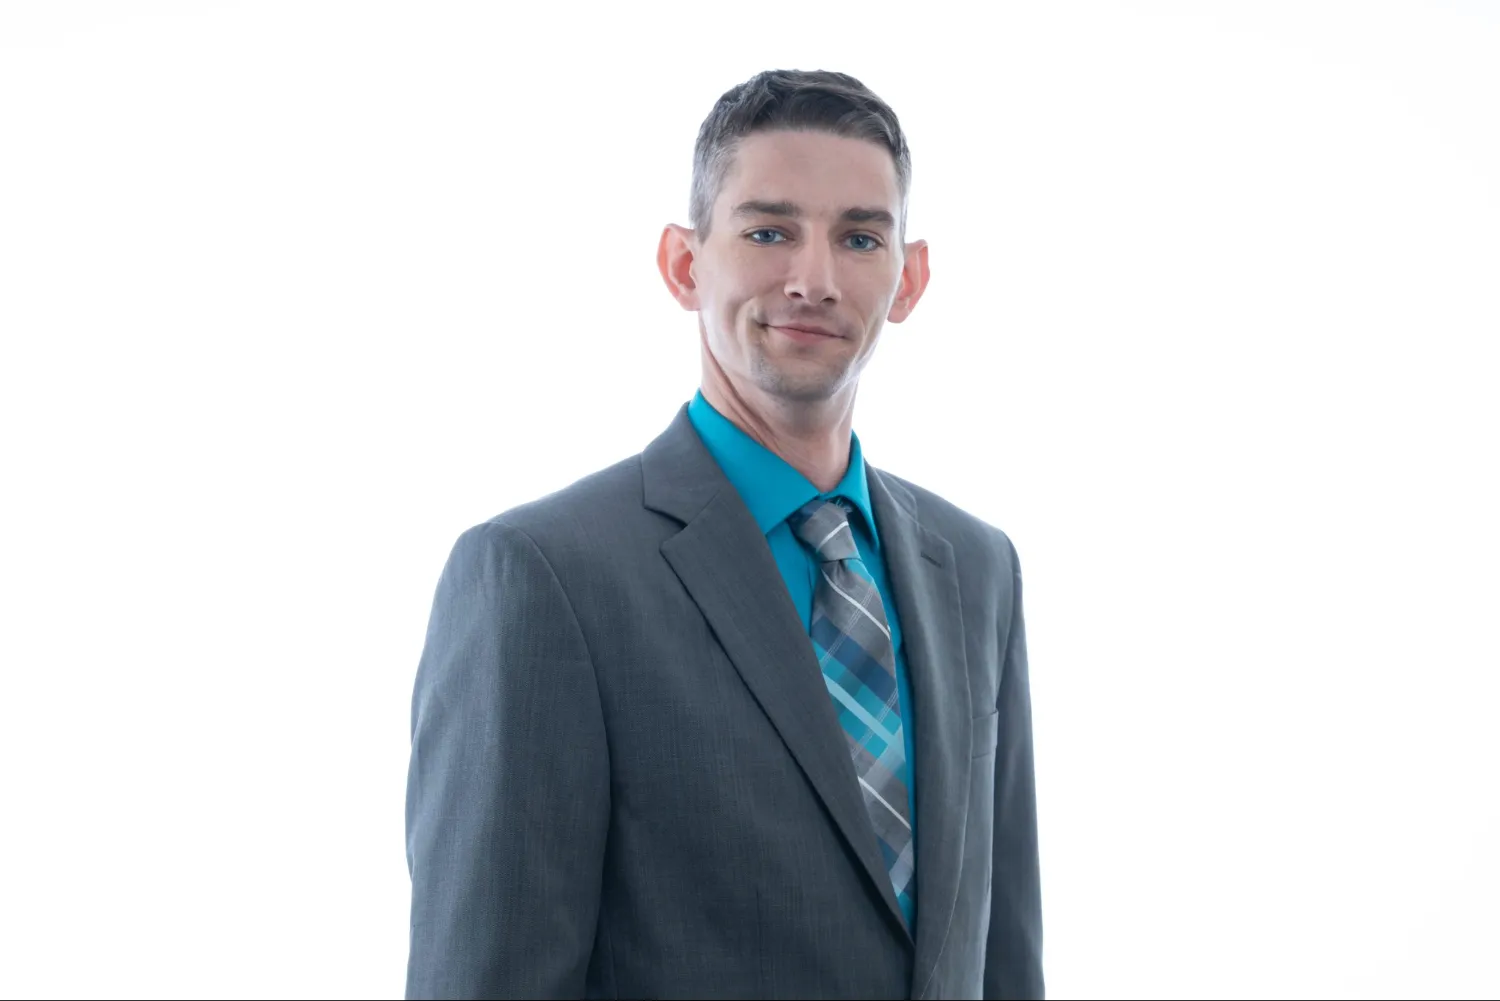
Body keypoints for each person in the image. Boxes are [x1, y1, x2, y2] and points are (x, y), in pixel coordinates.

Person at [403, 68, 1044, 1000]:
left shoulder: (977, 569)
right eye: (768, 230)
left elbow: (1004, 958)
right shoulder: (544, 578)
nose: (814, 278)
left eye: (859, 236)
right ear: (682, 263)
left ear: (908, 279)